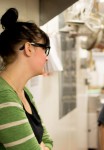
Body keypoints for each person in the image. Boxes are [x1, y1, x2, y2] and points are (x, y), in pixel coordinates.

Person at [0, 8, 53, 150]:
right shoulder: (3, 96)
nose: (47, 58)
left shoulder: (24, 91)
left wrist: (42, 146)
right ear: (29, 48)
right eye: (45, 49)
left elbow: (48, 141)